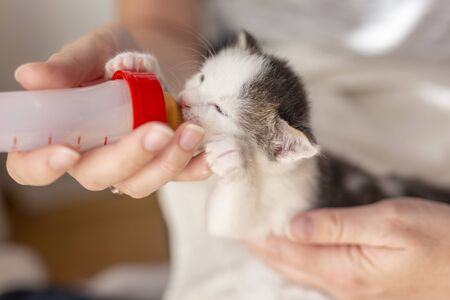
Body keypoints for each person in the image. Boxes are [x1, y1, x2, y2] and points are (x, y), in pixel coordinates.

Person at [6, 1, 450, 299]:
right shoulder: (212, 101)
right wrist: (147, 68)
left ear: (280, 146)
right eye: (201, 79)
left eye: (215, 105)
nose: (190, 100)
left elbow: (230, 224)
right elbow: (170, 60)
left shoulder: (288, 161)